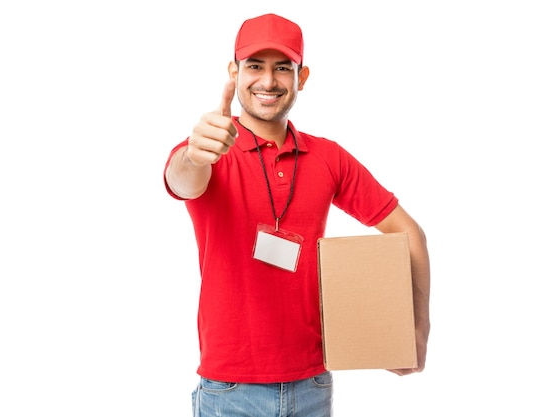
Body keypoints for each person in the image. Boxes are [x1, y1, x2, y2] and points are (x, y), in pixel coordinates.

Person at [163, 13, 430, 417]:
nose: (268, 82)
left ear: (301, 77)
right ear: (233, 73)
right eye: (254, 66)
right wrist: (194, 154)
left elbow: (408, 233)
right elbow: (182, 180)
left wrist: (416, 332)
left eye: (282, 68)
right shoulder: (209, 147)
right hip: (230, 390)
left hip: (313, 383)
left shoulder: (328, 157)